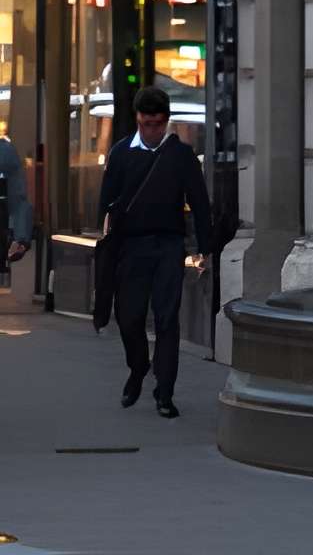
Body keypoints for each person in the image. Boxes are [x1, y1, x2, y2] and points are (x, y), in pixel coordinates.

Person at [97, 84, 211, 418]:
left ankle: (165, 391)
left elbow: (200, 204)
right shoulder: (121, 154)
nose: (151, 131)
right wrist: (105, 243)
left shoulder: (181, 155)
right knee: (129, 317)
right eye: (146, 123)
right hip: (132, 246)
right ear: (137, 119)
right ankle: (138, 368)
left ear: (166, 122)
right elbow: (106, 202)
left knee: (166, 318)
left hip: (168, 246)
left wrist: (204, 249)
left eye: (157, 124)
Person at [0, 128, 33, 276]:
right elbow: (18, 200)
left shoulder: (5, 153)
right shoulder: (5, 151)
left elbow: (18, 200)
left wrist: (20, 238)